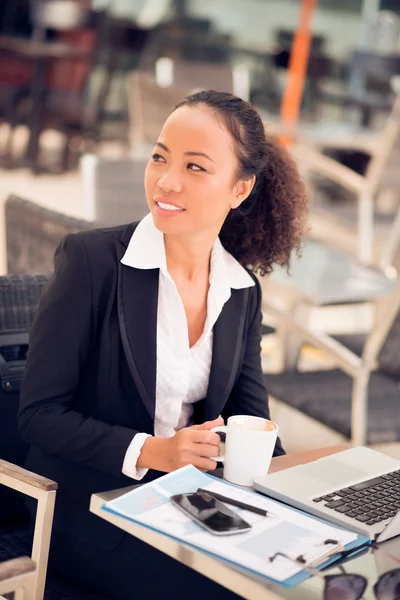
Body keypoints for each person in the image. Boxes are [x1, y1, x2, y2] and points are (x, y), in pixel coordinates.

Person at [19, 90, 307, 599]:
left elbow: (252, 425)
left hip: (195, 508)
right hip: (91, 510)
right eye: (159, 157)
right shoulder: (92, 262)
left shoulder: (240, 291)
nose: (167, 181)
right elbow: (40, 414)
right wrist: (157, 451)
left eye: (196, 167)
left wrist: (294, 498)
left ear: (239, 190)